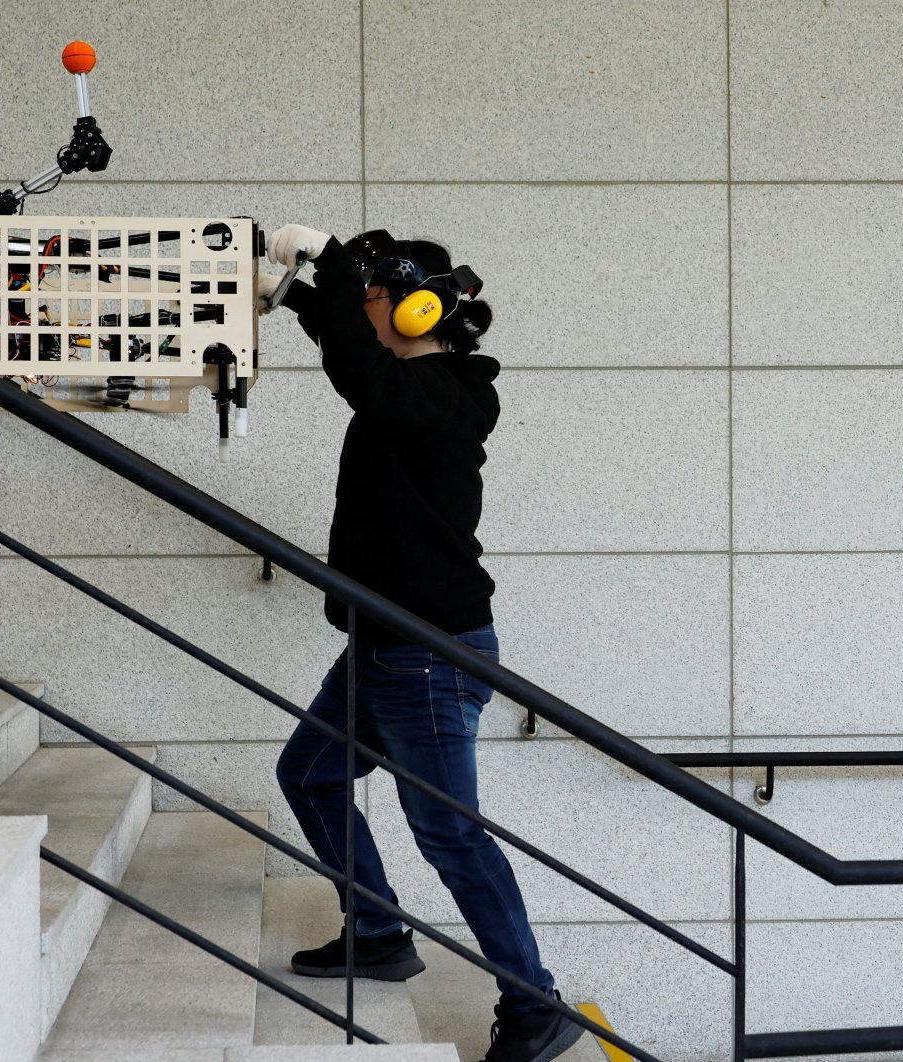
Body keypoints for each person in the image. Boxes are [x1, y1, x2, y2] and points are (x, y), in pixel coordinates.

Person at [261, 224, 581, 1062]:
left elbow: (358, 371)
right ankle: (375, 928)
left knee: (450, 836)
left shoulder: (438, 395)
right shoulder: (413, 384)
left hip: (429, 653)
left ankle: (534, 1003)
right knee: (311, 772)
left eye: (371, 295)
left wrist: (326, 258)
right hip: (384, 641)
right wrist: (296, 295)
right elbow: (356, 355)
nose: (361, 309)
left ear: (416, 308)